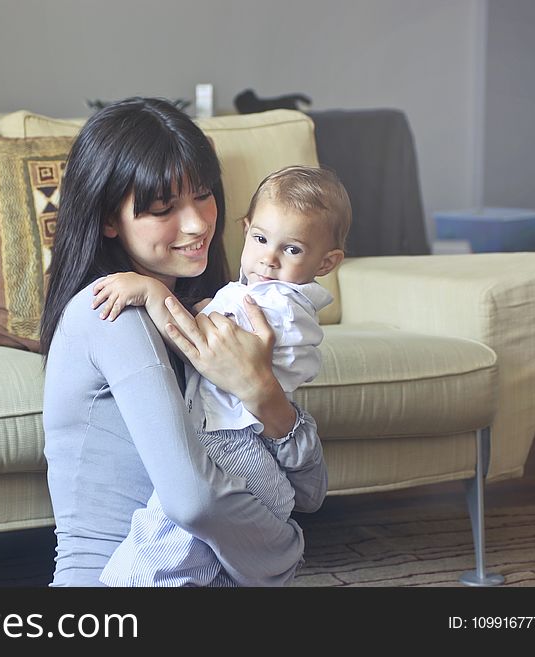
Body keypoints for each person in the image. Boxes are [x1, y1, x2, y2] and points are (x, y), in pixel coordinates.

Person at [40, 97, 328, 587]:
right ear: (111, 220)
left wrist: (262, 392)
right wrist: (285, 549)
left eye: (203, 195)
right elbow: (192, 500)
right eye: (163, 209)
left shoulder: (216, 315)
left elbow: (311, 491)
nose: (197, 224)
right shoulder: (110, 312)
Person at [90, 166, 351, 586]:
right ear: (246, 230)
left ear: (328, 262)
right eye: (261, 240)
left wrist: (155, 292)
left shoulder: (277, 302)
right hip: (247, 445)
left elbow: (201, 348)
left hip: (231, 444)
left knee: (156, 553)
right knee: (207, 567)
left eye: (293, 250)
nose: (269, 258)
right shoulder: (259, 295)